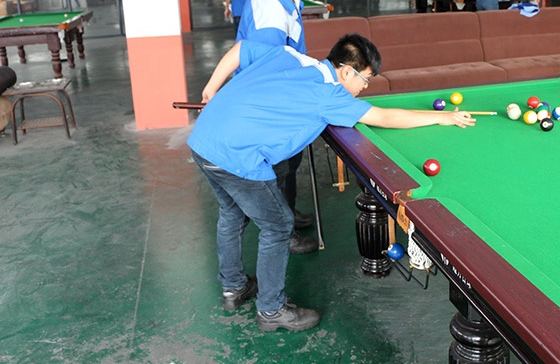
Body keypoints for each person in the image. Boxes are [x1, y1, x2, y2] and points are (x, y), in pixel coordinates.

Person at [188, 34, 475, 332]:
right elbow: (384, 117)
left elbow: (239, 49)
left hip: (204, 139)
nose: (365, 87)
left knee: (232, 213)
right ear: (347, 71)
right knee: (278, 226)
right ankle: (271, 310)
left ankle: (234, 288)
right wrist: (441, 118)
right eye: (365, 79)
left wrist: (210, 89)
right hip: (236, 156)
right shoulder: (329, 95)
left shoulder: (291, 56)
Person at [235, 0, 319, 255]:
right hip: (267, 96)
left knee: (291, 158)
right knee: (280, 165)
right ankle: (285, 231)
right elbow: (269, 73)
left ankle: (290, 213)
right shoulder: (269, 21)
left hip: (284, 83)